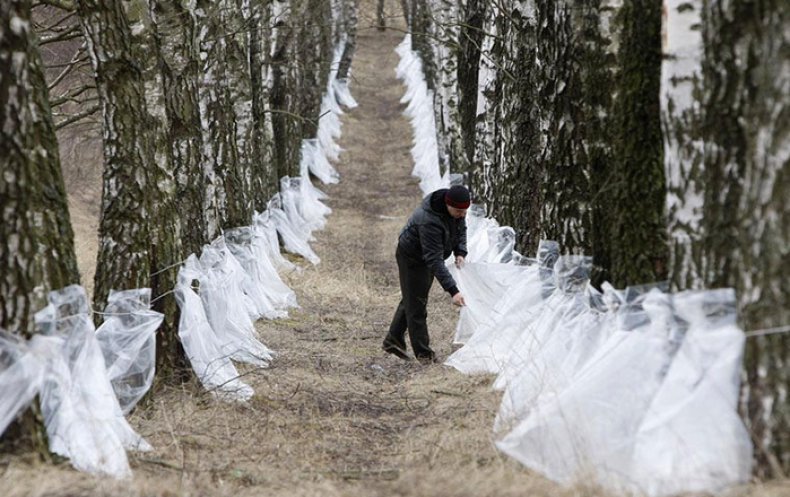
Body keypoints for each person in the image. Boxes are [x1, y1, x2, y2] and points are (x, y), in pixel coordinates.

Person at [382, 185, 470, 363]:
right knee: (417, 305)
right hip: (412, 258)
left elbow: (460, 229)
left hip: (427, 257)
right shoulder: (429, 220)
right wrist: (453, 291)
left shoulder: (457, 210)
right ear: (448, 205)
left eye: (465, 211)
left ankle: (393, 340)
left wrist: (460, 251)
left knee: (413, 298)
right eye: (459, 211)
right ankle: (424, 355)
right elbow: (434, 260)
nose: (462, 214)